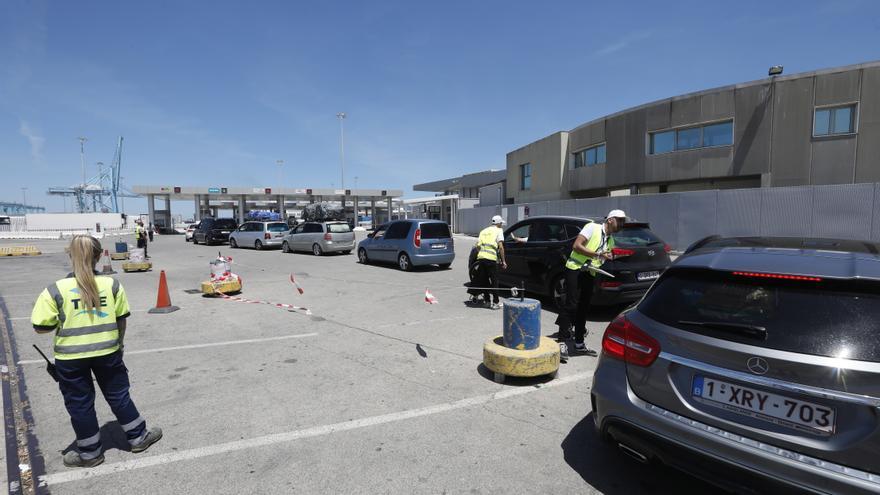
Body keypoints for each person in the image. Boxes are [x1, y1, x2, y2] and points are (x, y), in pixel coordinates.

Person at [30, 235, 162, 468]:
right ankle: (138, 438)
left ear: (70, 255)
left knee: (80, 404)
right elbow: (122, 320)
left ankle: (90, 454)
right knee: (119, 396)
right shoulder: (111, 285)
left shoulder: (55, 290)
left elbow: (41, 327)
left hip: (70, 358)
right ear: (99, 256)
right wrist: (119, 345)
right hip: (108, 352)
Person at [556, 209, 627, 357]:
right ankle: (562, 342)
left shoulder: (610, 240)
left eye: (623, 221)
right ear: (610, 220)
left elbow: (601, 259)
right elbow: (576, 245)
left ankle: (579, 343)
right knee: (571, 304)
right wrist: (598, 254)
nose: (622, 224)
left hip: (590, 272)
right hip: (575, 268)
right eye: (619, 220)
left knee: (584, 307)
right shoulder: (592, 227)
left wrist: (605, 257)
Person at [468, 215, 507, 309]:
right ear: (498, 223)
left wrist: (483, 253)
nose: (501, 225)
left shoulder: (483, 231)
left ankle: (487, 301)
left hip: (481, 258)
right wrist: (503, 261)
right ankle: (496, 303)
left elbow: (477, 246)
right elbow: (501, 247)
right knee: (494, 281)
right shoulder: (498, 230)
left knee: (484, 280)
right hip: (491, 259)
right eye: (501, 223)